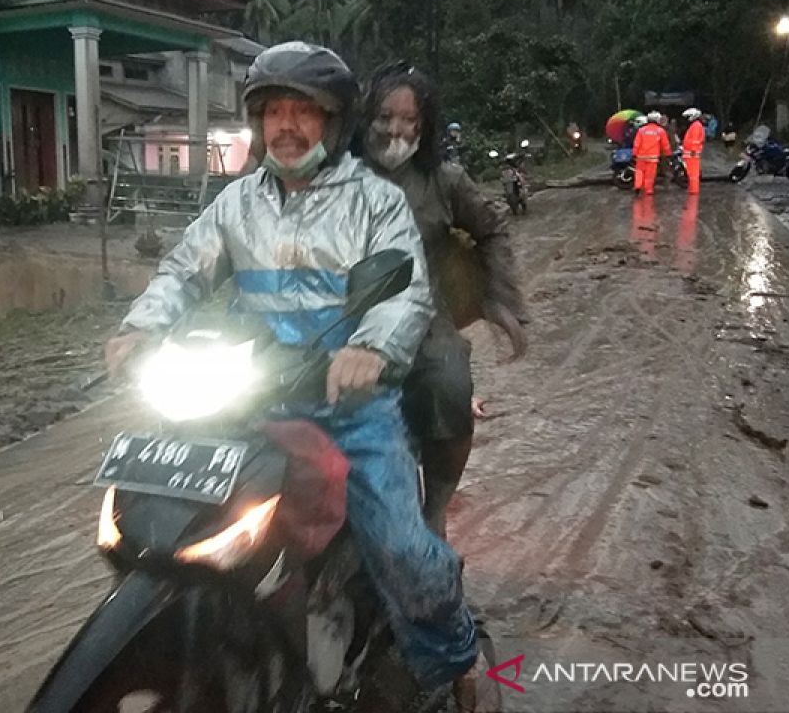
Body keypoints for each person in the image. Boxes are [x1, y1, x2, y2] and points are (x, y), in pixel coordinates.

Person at [104, 42, 491, 709]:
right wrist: (142, 325)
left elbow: (404, 292)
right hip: (252, 401)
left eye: (303, 112)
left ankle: (457, 654)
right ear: (257, 124)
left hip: (354, 407)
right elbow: (183, 268)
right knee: (163, 523)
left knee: (402, 550)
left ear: (333, 124)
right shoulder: (236, 205)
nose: (286, 125)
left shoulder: (375, 202)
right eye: (272, 111)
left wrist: (370, 348)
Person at [358, 60, 528, 541]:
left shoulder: (445, 180)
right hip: (341, 321)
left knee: (450, 386)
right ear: (365, 118)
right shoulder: (336, 179)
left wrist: (501, 301)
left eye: (409, 119)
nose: (396, 129)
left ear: (424, 125)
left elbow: (493, 229)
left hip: (424, 321)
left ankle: (435, 507)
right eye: (385, 116)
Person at [632, 111, 672, 195]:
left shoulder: (641, 130)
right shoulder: (660, 131)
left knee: (639, 172)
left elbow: (636, 143)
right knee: (649, 175)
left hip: (641, 156)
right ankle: (648, 190)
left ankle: (637, 186)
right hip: (652, 157)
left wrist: (634, 153)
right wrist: (668, 154)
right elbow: (665, 145)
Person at [681, 107, 706, 194]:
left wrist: (693, 150)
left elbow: (695, 140)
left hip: (692, 153)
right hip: (691, 153)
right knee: (692, 173)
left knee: (693, 174)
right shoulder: (696, 125)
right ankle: (693, 189)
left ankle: (694, 190)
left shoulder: (695, 126)